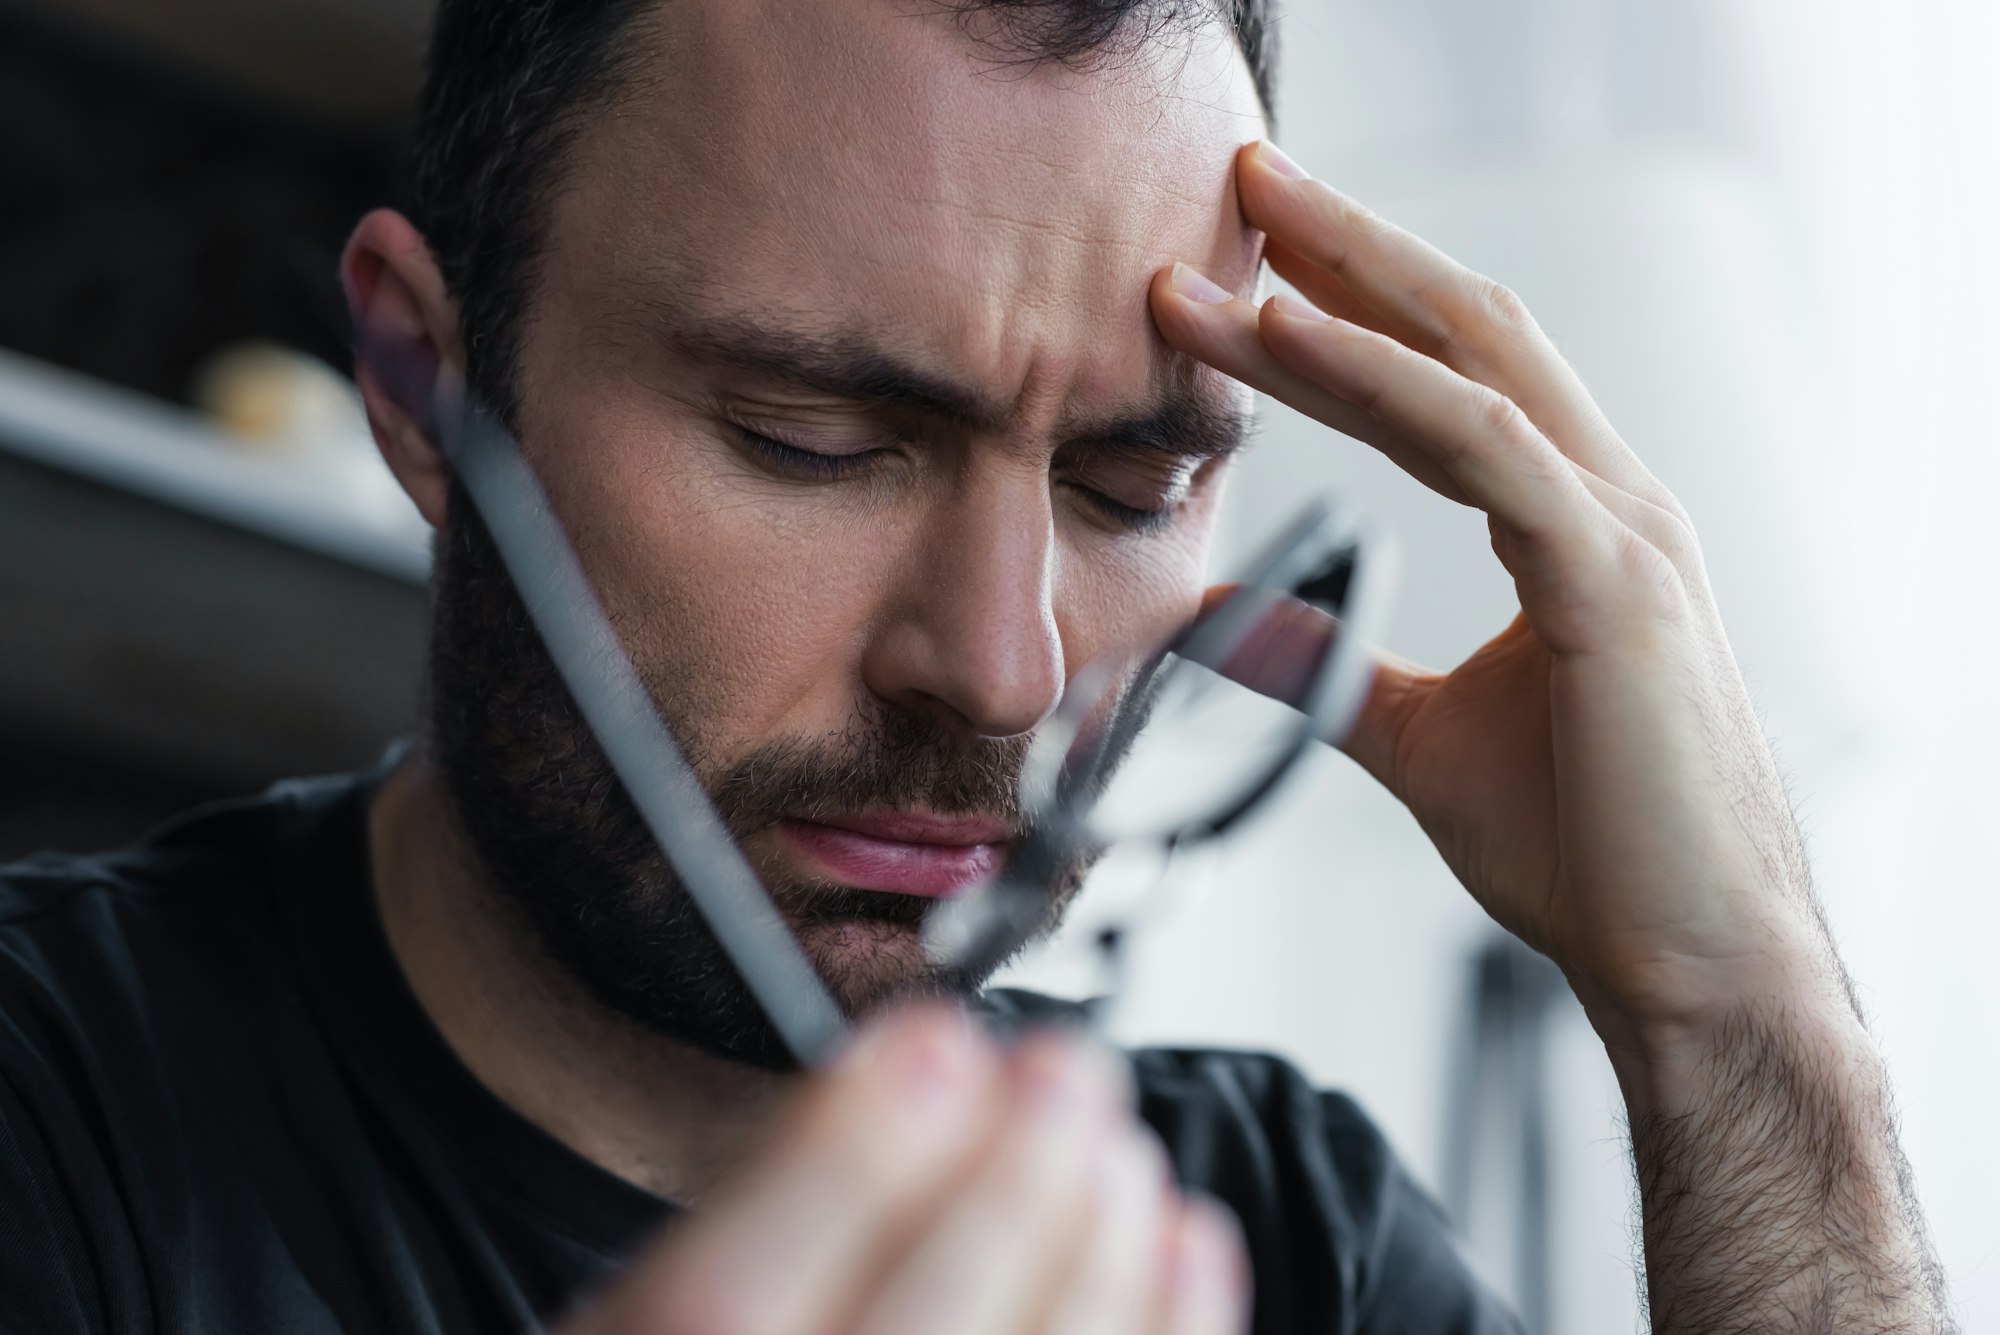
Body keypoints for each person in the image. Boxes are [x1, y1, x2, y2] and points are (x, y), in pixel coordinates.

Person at [0, 1, 1955, 1331]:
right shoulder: (56, 1121)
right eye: (813, 437)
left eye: (1131, 478)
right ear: (421, 386)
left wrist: (1742, 1029)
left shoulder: (1280, 1234)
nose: (1003, 671)